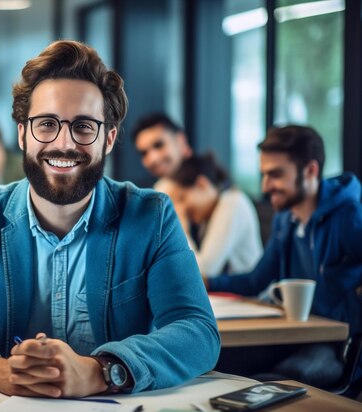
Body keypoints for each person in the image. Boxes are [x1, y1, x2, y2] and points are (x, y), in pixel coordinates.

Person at [0, 40, 219, 398]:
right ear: (23, 134)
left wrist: (100, 371)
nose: (64, 143)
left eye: (84, 127)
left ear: (108, 138)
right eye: (46, 124)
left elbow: (197, 331)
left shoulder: (152, 217)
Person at [205, 125, 362, 388]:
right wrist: (205, 282)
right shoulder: (285, 220)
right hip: (296, 336)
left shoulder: (348, 216)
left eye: (276, 175)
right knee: (216, 362)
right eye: (264, 175)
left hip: (338, 347)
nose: (266, 186)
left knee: (274, 382)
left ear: (310, 170)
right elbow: (257, 280)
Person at [167, 153, 263, 276]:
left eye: (182, 198)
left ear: (202, 184)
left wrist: (180, 230)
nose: (181, 208)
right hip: (228, 293)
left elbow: (204, 271)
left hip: (249, 294)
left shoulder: (232, 202)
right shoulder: (208, 215)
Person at [132, 113, 192, 192]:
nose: (153, 158)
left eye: (159, 145)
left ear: (180, 140)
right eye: (144, 153)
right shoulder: (156, 193)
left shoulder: (208, 182)